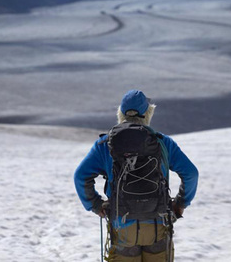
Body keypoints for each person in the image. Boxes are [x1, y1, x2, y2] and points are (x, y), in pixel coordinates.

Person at [74, 90, 199, 261]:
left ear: (120, 114)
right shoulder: (163, 143)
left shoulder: (104, 145)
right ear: (148, 114)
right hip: (158, 224)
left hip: (122, 225)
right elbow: (191, 174)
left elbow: (81, 177)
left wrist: (96, 205)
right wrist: (181, 203)